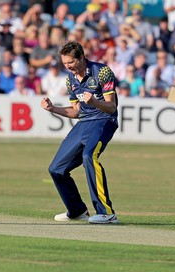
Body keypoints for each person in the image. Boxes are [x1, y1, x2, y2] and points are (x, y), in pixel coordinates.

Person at [40, 40, 119, 224]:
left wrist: (94, 102)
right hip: (84, 123)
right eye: (65, 63)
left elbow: (111, 107)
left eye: (71, 63)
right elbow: (76, 111)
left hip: (103, 121)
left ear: (82, 57)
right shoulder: (70, 79)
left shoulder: (102, 71)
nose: (68, 67)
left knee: (89, 156)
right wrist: (53, 109)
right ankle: (76, 210)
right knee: (56, 169)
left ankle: (106, 212)